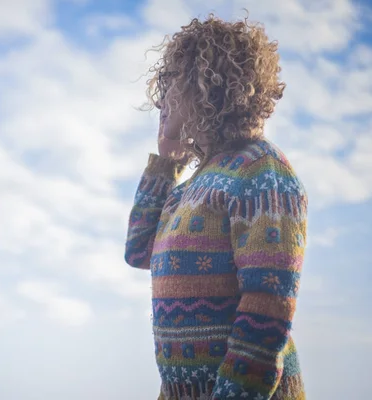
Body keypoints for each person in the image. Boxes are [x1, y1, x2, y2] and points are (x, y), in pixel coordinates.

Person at [124, 14, 307, 400]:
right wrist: (166, 162)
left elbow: (267, 307)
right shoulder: (191, 184)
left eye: (174, 81)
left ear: (207, 86)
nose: (163, 98)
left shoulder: (262, 172)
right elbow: (138, 252)